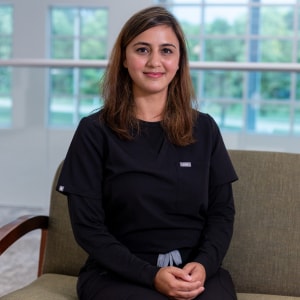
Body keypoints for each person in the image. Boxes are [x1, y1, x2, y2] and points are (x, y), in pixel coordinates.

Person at [56, 5, 238, 300]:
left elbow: (222, 214)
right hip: (118, 273)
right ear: (125, 59)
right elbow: (88, 228)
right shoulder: (94, 131)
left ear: (179, 61)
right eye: (142, 50)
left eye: (166, 51)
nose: (155, 61)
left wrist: (203, 265)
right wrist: (151, 276)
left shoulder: (204, 129)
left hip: (193, 272)